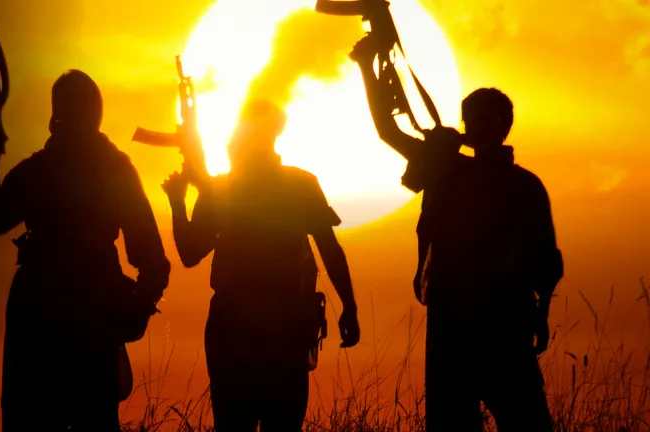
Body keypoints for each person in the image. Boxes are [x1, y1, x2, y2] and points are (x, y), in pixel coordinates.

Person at [350, 36, 564, 432]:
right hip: (453, 315)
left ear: (504, 126)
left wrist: (541, 311)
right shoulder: (447, 167)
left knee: (526, 420)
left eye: (487, 120)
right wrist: (367, 67)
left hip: (503, 316)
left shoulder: (521, 185)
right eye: (473, 119)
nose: (478, 127)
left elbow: (545, 258)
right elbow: (388, 131)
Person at [0, 70, 171, 431]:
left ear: (55, 117)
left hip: (41, 319)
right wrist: (135, 313)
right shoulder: (115, 171)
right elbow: (154, 262)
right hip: (90, 317)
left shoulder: (40, 172)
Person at [161, 99, 361, 431]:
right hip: (284, 329)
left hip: (237, 328)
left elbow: (189, 253)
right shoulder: (299, 184)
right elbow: (330, 249)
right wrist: (349, 307)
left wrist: (177, 202)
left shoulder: (221, 187)